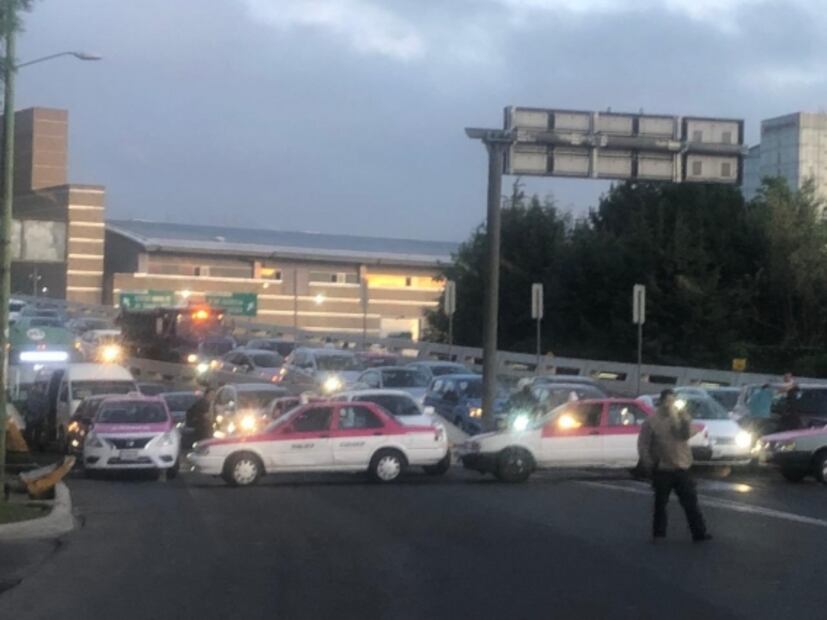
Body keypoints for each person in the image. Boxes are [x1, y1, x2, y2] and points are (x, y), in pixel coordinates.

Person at [638, 388, 711, 543]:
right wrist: (648, 462)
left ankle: (699, 532)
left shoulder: (680, 418)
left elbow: (685, 435)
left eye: (672, 401)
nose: (669, 404)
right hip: (662, 467)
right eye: (667, 401)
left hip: (681, 466)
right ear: (661, 402)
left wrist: (682, 417)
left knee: (690, 502)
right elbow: (643, 444)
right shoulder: (652, 421)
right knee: (660, 503)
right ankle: (659, 534)